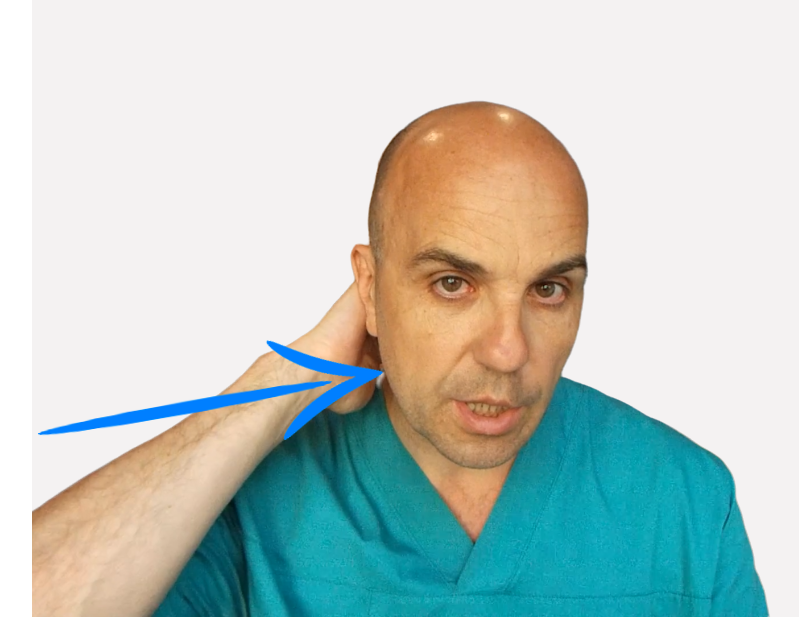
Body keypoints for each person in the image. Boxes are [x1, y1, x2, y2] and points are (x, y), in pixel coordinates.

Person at [32, 102, 768, 616]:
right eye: (453, 284)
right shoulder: (251, 504)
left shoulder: (686, 503)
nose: (508, 351)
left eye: (548, 290)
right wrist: (285, 380)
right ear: (370, 289)